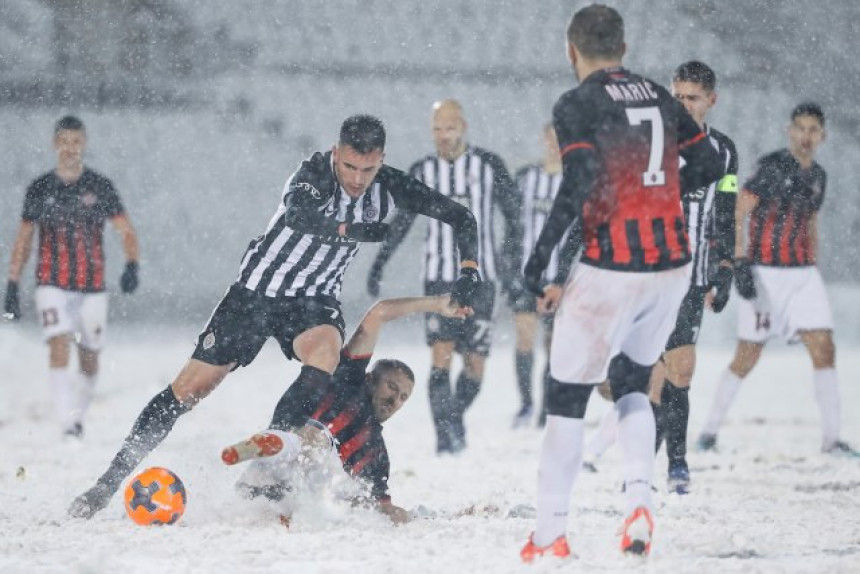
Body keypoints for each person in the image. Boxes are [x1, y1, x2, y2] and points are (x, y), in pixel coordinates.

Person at [68, 114, 481, 519]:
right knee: (189, 389)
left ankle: (272, 454)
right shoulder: (314, 172)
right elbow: (301, 216)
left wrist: (469, 271)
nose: (357, 179)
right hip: (254, 294)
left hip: (313, 300)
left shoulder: (389, 185)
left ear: (381, 160)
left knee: (326, 350)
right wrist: (351, 230)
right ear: (337, 154)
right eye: (350, 167)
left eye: (368, 170)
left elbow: (462, 217)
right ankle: (108, 481)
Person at [518, 5, 724, 561]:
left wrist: (538, 265)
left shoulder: (577, 102)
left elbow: (578, 181)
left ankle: (548, 535)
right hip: (670, 266)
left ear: (571, 50)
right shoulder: (660, 95)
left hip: (610, 265)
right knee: (634, 382)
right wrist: (653, 191)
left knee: (565, 399)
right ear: (625, 51)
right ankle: (639, 502)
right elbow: (708, 167)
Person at [581, 61, 739, 494]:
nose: (684, 105)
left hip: (691, 275)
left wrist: (726, 267)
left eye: (693, 97)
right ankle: (650, 468)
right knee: (649, 375)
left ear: (711, 100)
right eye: (679, 96)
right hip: (648, 269)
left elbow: (725, 215)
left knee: (680, 372)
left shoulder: (725, 152)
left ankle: (674, 465)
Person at [221, 294, 469, 526]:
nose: (395, 400)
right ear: (371, 379)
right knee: (315, 441)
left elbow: (382, 508)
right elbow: (379, 312)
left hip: (296, 489)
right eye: (392, 387)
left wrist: (429, 518)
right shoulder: (349, 377)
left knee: (336, 489)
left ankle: (276, 466)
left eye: (403, 397)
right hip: (290, 452)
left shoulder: (377, 454)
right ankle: (273, 444)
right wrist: (437, 304)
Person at [697, 103, 858, 457]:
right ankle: (708, 432)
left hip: (802, 275)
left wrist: (813, 264)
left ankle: (831, 440)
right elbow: (738, 210)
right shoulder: (773, 166)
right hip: (766, 274)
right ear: (789, 130)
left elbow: (811, 222)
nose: (806, 136)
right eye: (800, 128)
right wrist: (739, 262)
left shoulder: (819, 175)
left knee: (824, 349)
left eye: (813, 129)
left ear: (823, 135)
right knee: (747, 356)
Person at [366, 100, 522, 454]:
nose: (442, 135)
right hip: (439, 278)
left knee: (475, 365)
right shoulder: (422, 169)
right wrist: (381, 262)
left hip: (483, 278)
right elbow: (403, 221)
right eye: (436, 128)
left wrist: (511, 266)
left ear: (463, 126)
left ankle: (452, 419)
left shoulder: (489, 164)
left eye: (449, 127)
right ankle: (444, 439)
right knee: (441, 354)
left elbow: (513, 217)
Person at [3, 115, 140, 438]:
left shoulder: (100, 186)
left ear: (84, 143)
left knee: (90, 357)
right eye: (63, 142)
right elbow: (24, 239)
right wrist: (11, 283)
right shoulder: (40, 188)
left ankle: (77, 415)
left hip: (92, 287)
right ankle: (67, 422)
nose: (69, 148)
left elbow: (125, 230)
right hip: (51, 283)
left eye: (75, 142)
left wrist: (131, 264)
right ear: (55, 144)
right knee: (59, 343)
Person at [509, 124, 579, 428]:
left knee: (553, 345)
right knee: (524, 337)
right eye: (550, 138)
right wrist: (508, 268)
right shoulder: (525, 178)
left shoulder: (577, 182)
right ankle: (525, 404)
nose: (554, 145)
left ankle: (545, 410)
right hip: (528, 274)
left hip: (559, 279)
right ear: (543, 140)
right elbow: (512, 228)